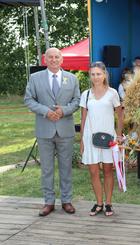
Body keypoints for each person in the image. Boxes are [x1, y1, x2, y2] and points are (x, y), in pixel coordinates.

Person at [24, 47, 80, 216]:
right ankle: (48, 202)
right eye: (51, 57)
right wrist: (45, 111)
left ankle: (66, 200)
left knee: (66, 168)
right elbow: (28, 99)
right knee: (47, 169)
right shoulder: (35, 78)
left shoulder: (72, 78)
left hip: (65, 129)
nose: (54, 60)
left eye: (57, 57)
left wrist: (63, 110)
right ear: (45, 60)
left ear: (62, 60)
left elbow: (77, 101)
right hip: (44, 130)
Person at [80, 61, 124, 216]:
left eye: (98, 74)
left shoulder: (112, 93)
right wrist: (82, 140)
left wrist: (118, 135)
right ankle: (99, 203)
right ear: (89, 76)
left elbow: (120, 115)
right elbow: (83, 118)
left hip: (108, 139)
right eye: (92, 74)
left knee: (107, 171)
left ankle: (109, 204)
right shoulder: (85, 95)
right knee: (93, 172)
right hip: (90, 137)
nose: (96, 77)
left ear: (105, 74)